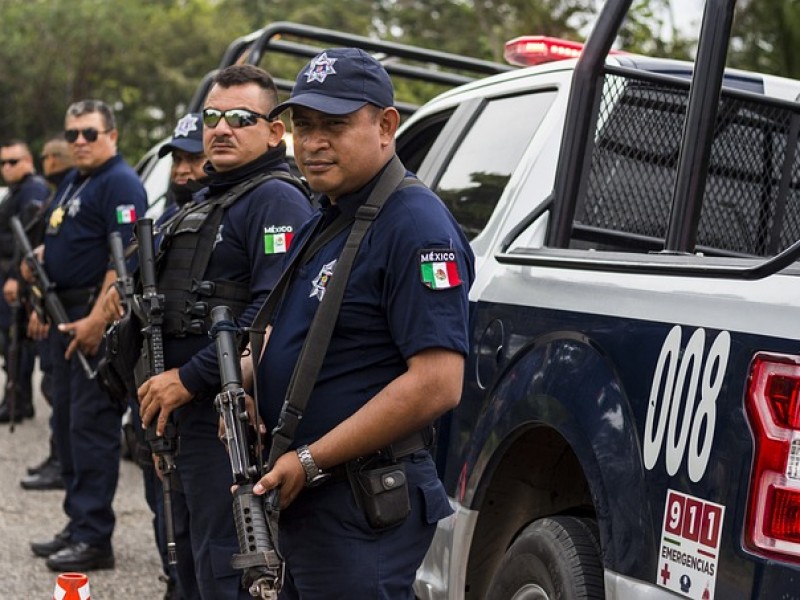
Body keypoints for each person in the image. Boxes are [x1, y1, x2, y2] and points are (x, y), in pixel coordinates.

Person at [248, 48, 475, 598]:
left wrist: (308, 458)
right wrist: (251, 387)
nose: (313, 141)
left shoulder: (414, 223)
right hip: (313, 492)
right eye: (304, 125)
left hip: (359, 498)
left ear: (386, 126)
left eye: (336, 124)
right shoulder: (331, 213)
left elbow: (437, 383)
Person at [135, 65, 314, 599]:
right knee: (188, 552)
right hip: (184, 414)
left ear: (274, 131)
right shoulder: (211, 198)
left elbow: (272, 313)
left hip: (230, 416)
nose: (221, 129)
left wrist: (189, 379)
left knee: (225, 563)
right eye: (213, 117)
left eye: (241, 118)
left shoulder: (275, 198)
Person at [26, 99, 147, 572]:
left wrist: (99, 319)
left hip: (93, 318)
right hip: (63, 313)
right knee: (68, 428)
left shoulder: (119, 181)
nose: (79, 141)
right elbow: (64, 238)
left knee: (91, 429)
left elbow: (126, 256)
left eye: (89, 134)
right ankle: (77, 524)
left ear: (112, 136)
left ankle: (95, 537)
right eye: (72, 133)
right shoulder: (79, 179)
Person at [19, 134, 76, 491]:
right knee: (53, 386)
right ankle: (58, 457)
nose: (43, 163)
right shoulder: (63, 193)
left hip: (68, 311)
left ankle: (61, 460)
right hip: (51, 305)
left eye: (46, 156)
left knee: (58, 389)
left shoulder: (65, 192)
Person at [0, 139, 50, 423]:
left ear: (29, 161)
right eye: (3, 162)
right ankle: (14, 398)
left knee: (16, 341)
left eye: (13, 161)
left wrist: (16, 278)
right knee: (9, 344)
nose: (7, 167)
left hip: (17, 277)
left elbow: (26, 241)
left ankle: (18, 402)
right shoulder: (16, 191)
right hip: (9, 275)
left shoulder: (33, 189)